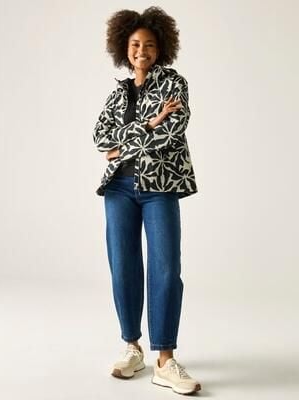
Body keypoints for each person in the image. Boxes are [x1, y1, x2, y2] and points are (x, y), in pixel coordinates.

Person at [93, 6, 201, 395]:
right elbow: (100, 140)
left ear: (161, 48)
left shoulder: (174, 85)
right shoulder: (117, 93)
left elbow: (172, 132)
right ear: (124, 48)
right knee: (123, 268)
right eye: (136, 44)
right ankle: (132, 347)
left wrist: (127, 142)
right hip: (118, 188)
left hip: (160, 186)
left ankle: (165, 360)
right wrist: (150, 123)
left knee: (166, 268)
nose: (142, 51)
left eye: (150, 44)